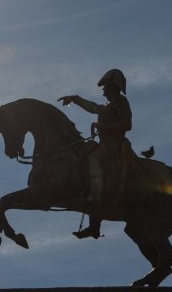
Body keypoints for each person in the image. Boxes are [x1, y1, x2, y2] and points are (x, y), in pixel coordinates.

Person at [58, 69, 135, 239]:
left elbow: (127, 125)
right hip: (104, 144)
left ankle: (95, 195)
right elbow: (92, 107)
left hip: (116, 147)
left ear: (113, 87)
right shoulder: (107, 107)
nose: (103, 91)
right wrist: (75, 99)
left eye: (106, 87)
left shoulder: (121, 102)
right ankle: (94, 222)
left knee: (94, 158)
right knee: (82, 155)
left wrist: (101, 127)